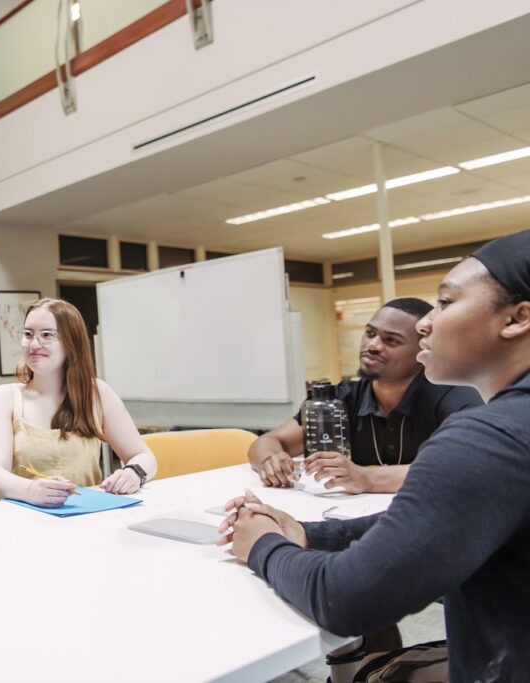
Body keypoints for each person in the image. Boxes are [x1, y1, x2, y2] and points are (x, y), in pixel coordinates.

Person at [219, 229, 530, 681]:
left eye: (444, 303)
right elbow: (439, 515)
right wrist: (309, 533)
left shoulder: (489, 435)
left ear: (518, 318)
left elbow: (344, 599)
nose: (426, 323)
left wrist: (264, 546)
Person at [249, 297, 480, 494]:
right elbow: (266, 442)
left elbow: (464, 464)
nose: (372, 345)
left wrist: (368, 479)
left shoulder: (453, 396)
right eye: (370, 333)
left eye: (391, 340)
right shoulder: (340, 399)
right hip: (351, 516)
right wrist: (271, 462)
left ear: (423, 351)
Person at [0, 298, 157, 506]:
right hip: (26, 518)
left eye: (47, 335)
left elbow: (144, 456)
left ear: (71, 343)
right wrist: (30, 490)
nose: (34, 344)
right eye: (28, 334)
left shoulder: (96, 393)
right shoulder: (4, 397)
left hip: (88, 517)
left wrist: (133, 473)